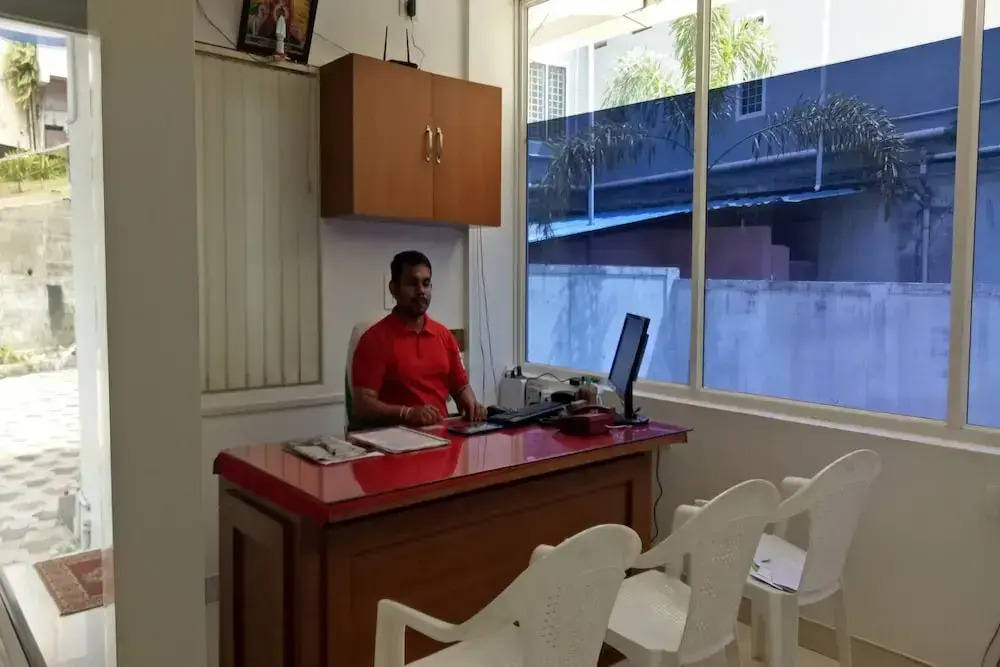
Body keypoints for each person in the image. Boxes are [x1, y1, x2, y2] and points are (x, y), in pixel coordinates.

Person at [351, 251, 487, 427]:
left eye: (426, 283)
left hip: (443, 434)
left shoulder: (444, 335)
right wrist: (407, 413)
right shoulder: (374, 339)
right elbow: (363, 405)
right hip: (396, 437)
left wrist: (473, 406)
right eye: (412, 283)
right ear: (394, 289)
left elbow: (461, 388)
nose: (421, 290)